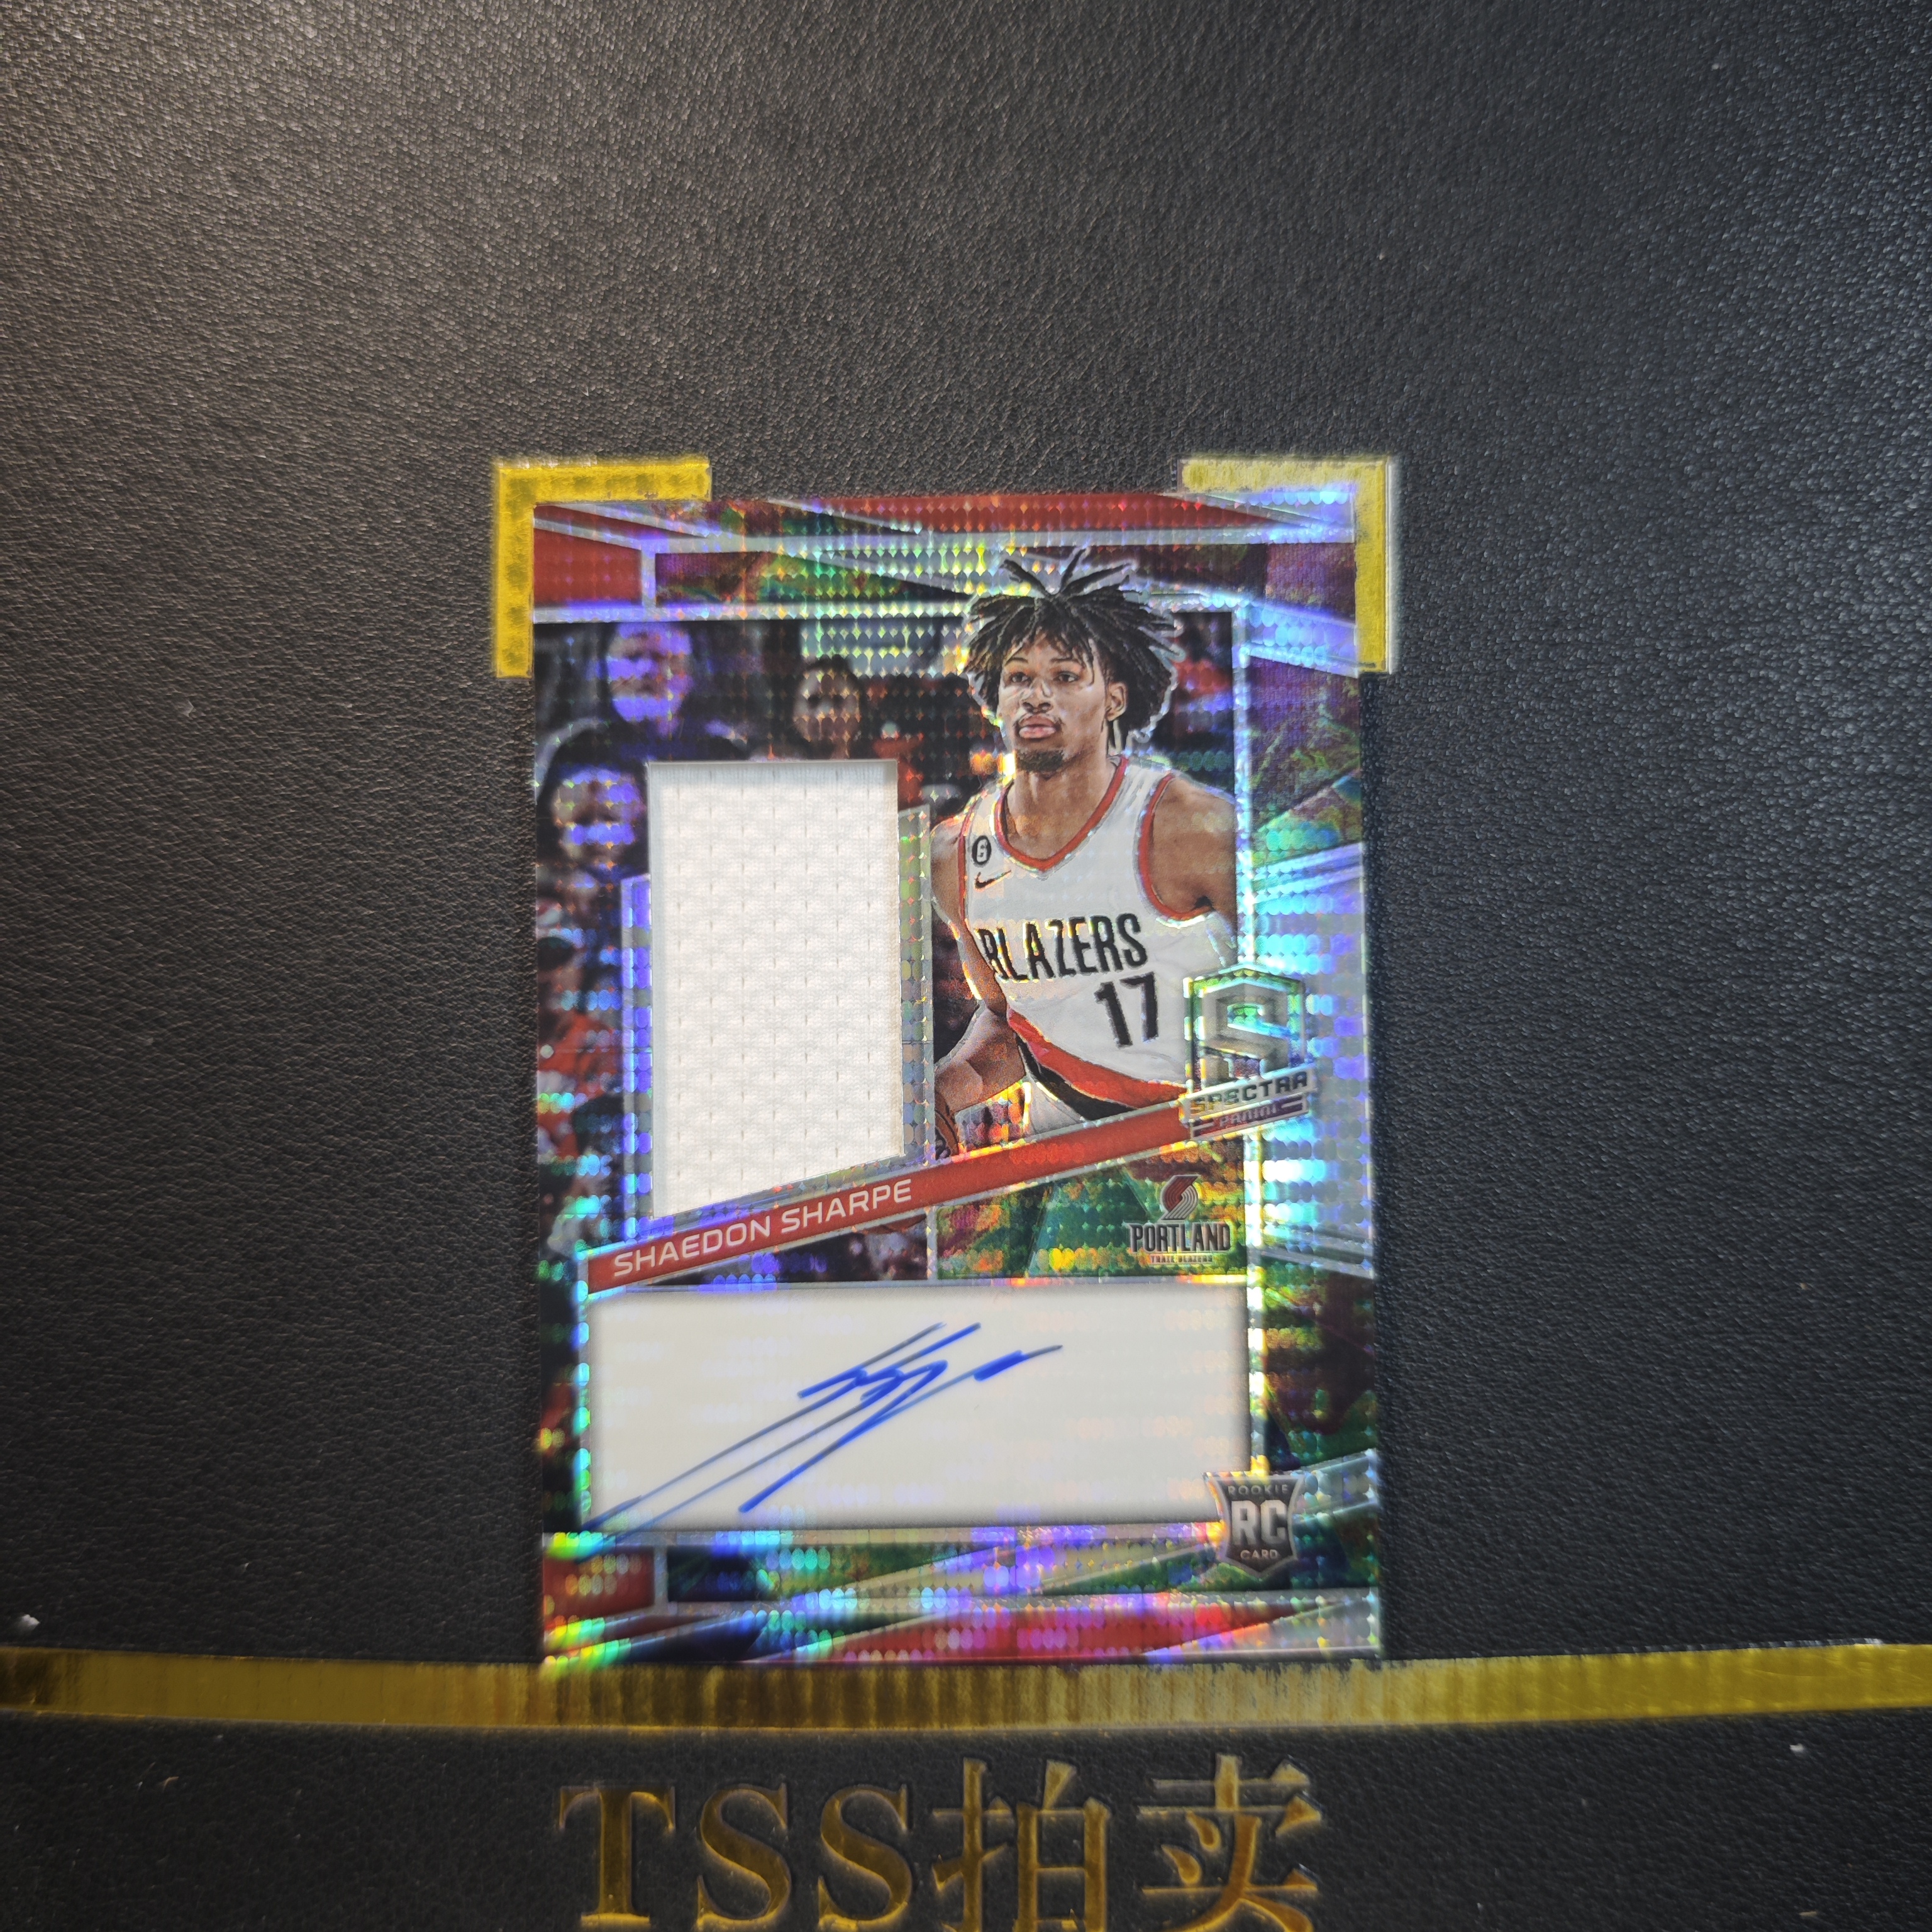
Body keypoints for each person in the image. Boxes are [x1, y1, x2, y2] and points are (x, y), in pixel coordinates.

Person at [932, 551, 1238, 1154]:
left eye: (1066, 676)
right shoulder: (956, 855)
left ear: (1115, 698)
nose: (1037, 696)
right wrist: (938, 1092)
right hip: (1070, 1168)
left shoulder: (1192, 826)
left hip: (1202, 1160)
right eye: (1019, 677)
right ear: (996, 697)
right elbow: (1013, 1024)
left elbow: (1300, 989)